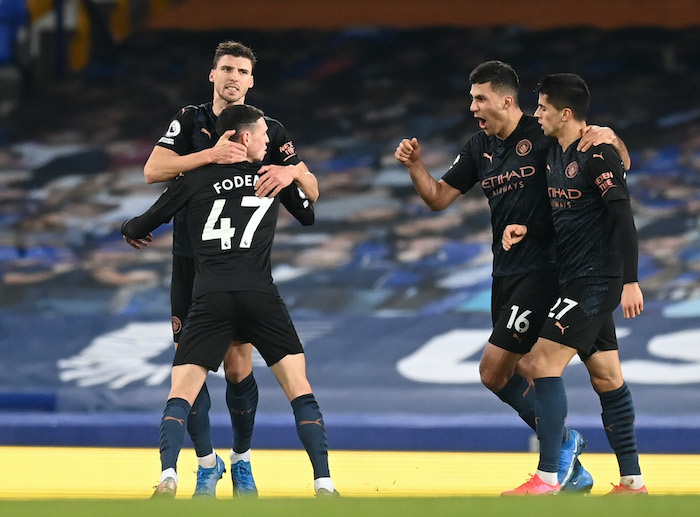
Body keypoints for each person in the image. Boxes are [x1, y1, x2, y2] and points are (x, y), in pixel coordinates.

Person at [394, 60, 632, 493]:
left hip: (549, 270)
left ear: (506, 100)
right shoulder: (478, 148)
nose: (472, 108)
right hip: (507, 271)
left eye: (479, 98)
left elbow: (612, 164)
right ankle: (585, 467)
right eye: (471, 99)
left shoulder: (542, 134)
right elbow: (438, 198)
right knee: (598, 373)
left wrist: (612, 135)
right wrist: (415, 166)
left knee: (498, 370)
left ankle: (557, 454)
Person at [122, 104, 337, 499]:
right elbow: (308, 215)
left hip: (209, 297)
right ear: (243, 137)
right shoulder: (270, 176)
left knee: (180, 390)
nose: (269, 141)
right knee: (299, 389)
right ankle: (324, 483)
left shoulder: (195, 179)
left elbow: (141, 223)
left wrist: (129, 229)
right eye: (263, 135)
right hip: (260, 297)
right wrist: (290, 176)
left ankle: (169, 474)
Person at [502, 73, 646, 495]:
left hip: (595, 279)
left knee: (537, 364)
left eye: (543, 107)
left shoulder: (597, 153)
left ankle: (548, 477)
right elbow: (563, 213)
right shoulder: (553, 153)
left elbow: (623, 216)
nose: (536, 114)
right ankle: (633, 483)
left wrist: (631, 281)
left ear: (565, 113)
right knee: (606, 377)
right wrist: (527, 229)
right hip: (574, 277)